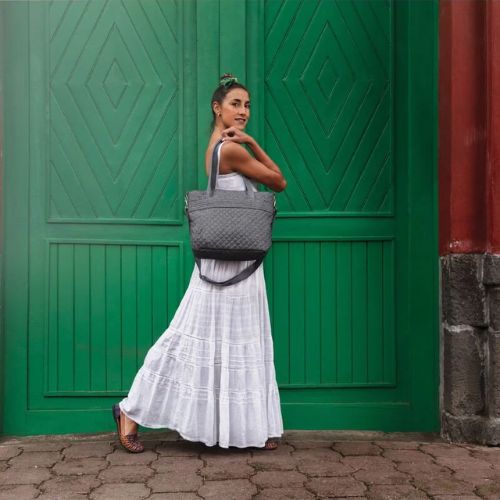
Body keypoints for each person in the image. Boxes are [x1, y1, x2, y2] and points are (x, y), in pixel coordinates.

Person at [112, 73, 287, 453]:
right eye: (235, 104)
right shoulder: (232, 150)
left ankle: (247, 428)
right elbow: (279, 182)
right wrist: (253, 143)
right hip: (230, 263)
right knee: (193, 337)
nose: (243, 111)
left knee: (227, 339)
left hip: (227, 262)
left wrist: (249, 139)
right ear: (217, 107)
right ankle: (129, 409)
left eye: (247, 105)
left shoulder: (215, 146)